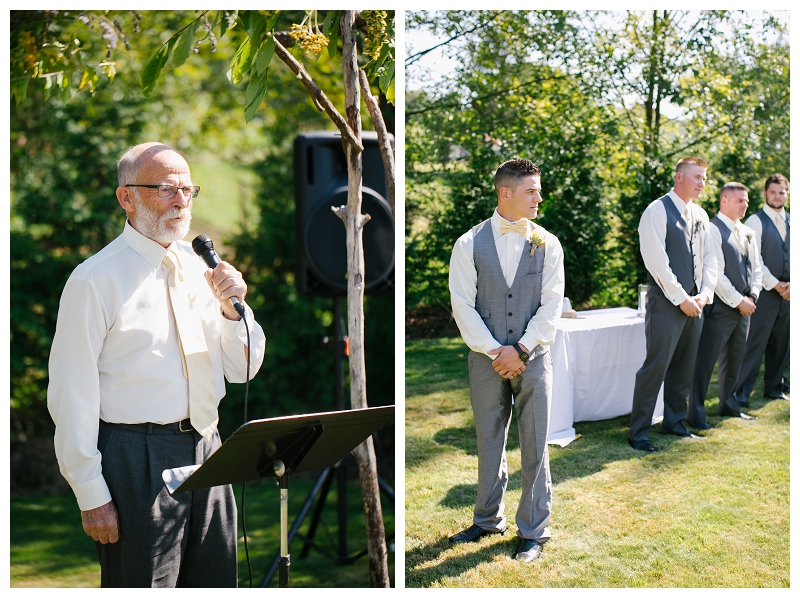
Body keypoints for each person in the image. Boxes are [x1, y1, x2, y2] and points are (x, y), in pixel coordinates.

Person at [48, 142, 266, 587]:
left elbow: (243, 369)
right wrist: (91, 494)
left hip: (209, 448)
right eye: (167, 189)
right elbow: (72, 395)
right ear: (126, 197)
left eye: (188, 189)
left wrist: (231, 310)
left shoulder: (201, 265)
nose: (182, 201)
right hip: (134, 457)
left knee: (217, 584)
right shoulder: (94, 279)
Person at [448, 158, 565, 563]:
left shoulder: (548, 243)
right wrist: (496, 351)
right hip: (486, 360)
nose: (538, 197)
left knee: (534, 443)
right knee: (488, 441)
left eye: (538, 190)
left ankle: (533, 530)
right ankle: (486, 520)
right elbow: (462, 305)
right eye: (530, 190)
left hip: (534, 358)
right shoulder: (468, 243)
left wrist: (522, 349)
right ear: (505, 193)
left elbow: (552, 305)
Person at [628, 156, 717, 452]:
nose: (702, 183)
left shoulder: (702, 215)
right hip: (666, 303)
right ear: (679, 177)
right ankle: (639, 432)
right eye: (696, 177)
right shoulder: (656, 211)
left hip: (697, 303)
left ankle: (675, 422)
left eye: (704, 178)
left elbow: (710, 261)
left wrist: (704, 295)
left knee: (684, 366)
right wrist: (682, 299)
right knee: (655, 366)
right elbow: (656, 262)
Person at [687, 182, 762, 429]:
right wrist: (738, 301)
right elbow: (715, 273)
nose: (745, 205)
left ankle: (729, 406)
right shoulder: (713, 229)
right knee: (705, 362)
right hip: (720, 309)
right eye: (740, 200)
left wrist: (752, 296)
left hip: (745, 307)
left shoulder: (748, 231)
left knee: (735, 360)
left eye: (746, 200)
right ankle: (696, 415)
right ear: (725, 201)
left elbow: (756, 267)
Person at [733, 173, 790, 405]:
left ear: (787, 194)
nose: (778, 196)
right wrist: (776, 285)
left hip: (789, 294)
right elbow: (754, 261)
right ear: (765, 193)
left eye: (782, 192)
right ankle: (741, 392)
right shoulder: (755, 222)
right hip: (765, 293)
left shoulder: (792, 221)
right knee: (756, 343)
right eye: (773, 192)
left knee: (782, 343)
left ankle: (775, 387)